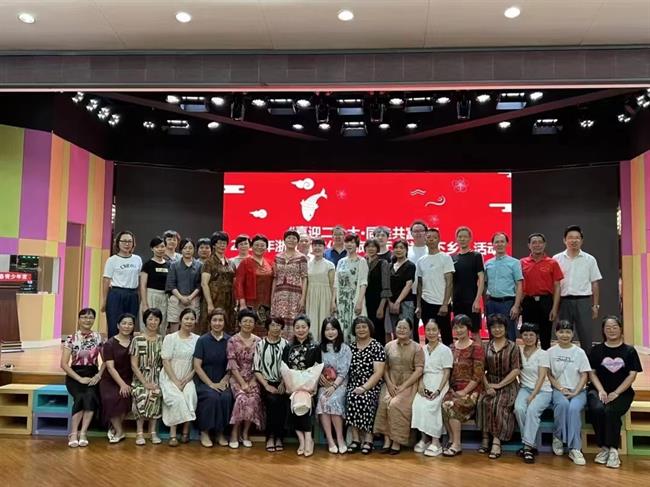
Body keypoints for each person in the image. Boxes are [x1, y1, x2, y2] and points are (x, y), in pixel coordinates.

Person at [588, 316, 643, 468]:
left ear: (620, 329)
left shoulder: (629, 351)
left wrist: (616, 393)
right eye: (608, 328)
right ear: (603, 331)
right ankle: (604, 448)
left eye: (614, 327)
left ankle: (613, 450)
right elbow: (592, 373)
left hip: (622, 392)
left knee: (611, 411)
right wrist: (601, 390)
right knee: (597, 409)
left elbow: (632, 375)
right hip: (598, 390)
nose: (611, 330)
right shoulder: (596, 350)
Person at [374, 318, 424, 454]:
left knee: (396, 405)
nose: (401, 330)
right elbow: (384, 367)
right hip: (391, 381)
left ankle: (396, 441)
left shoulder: (417, 348)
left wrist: (403, 386)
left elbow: (419, 370)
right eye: (399, 327)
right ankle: (387, 440)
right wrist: (389, 384)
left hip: (409, 383)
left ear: (411, 330)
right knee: (384, 403)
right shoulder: (388, 346)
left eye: (405, 328)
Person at [476, 314, 521, 459]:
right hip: (489, 382)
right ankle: (485, 438)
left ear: (505, 328)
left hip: (508, 384)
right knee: (482, 401)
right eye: (494, 327)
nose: (497, 330)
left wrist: (500, 385)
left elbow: (516, 370)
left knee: (498, 404)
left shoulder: (513, 346)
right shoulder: (486, 346)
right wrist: (487, 386)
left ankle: (496, 440)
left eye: (500, 326)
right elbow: (480, 369)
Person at [553, 225, 603, 354]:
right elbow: (554, 284)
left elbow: (595, 283)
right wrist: (554, 306)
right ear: (564, 240)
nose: (573, 240)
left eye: (577, 238)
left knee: (586, 335)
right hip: (563, 302)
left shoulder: (590, 259)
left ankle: (588, 364)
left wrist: (595, 305)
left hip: (583, 302)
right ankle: (564, 361)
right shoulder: (556, 259)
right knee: (563, 335)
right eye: (570, 237)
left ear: (581, 240)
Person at [548, 320, 591, 465]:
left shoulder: (579, 352)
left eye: (568, 332)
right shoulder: (551, 352)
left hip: (578, 391)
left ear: (573, 334)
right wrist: (560, 388)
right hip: (559, 389)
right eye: (561, 332)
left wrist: (575, 392)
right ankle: (558, 437)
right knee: (562, 405)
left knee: (573, 409)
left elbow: (584, 375)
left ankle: (575, 448)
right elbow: (549, 374)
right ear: (556, 333)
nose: (564, 335)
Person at [441, 314, 485, 457]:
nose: (458, 330)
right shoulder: (451, 348)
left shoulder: (476, 348)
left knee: (453, 405)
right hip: (453, 388)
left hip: (471, 389)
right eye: (456, 327)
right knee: (443, 403)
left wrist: (464, 391)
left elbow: (478, 375)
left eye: (462, 327)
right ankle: (451, 439)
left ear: (468, 328)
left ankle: (457, 444)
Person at [61, 308, 104, 448]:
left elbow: (106, 361)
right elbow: (63, 364)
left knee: (90, 396)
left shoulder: (98, 337)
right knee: (80, 396)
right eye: (84, 317)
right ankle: (74, 433)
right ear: (79, 319)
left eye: (91, 317)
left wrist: (98, 375)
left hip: (92, 373)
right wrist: (79, 379)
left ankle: (83, 432)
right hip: (75, 374)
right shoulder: (71, 338)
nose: (87, 320)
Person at [282, 314, 322, 457]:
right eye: (297, 327)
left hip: (309, 386)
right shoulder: (288, 347)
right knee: (292, 409)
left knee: (304, 406)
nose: (300, 330)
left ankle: (308, 439)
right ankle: (302, 441)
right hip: (292, 385)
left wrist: (314, 386)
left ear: (308, 328)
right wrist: (288, 385)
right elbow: (284, 367)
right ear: (293, 329)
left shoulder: (315, 346)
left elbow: (318, 367)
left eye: (303, 327)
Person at [411, 319, 453, 457]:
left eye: (434, 330)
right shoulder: (421, 349)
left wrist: (439, 391)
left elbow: (447, 373)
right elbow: (419, 370)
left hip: (440, 382)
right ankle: (424, 439)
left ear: (439, 331)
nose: (431, 333)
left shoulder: (445, 350)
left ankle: (436, 442)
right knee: (418, 404)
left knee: (433, 405)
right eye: (428, 330)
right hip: (425, 382)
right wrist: (420, 384)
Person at [345, 316, 386, 455]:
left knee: (366, 398)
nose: (361, 329)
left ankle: (369, 439)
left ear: (370, 329)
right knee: (351, 396)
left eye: (364, 327)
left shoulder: (376, 346)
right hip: (353, 383)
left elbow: (378, 372)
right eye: (358, 327)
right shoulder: (350, 347)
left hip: (372, 384)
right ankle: (356, 439)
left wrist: (364, 387)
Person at [159, 308, 199, 446]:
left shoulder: (197, 339)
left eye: (192, 319)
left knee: (190, 395)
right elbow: (165, 361)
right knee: (177, 398)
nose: (189, 321)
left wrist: (187, 379)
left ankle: (185, 432)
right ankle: (173, 434)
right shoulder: (170, 338)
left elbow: (197, 364)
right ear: (180, 320)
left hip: (188, 376)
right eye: (186, 318)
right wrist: (175, 381)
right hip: (170, 376)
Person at [514, 322, 553, 463]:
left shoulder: (543, 354)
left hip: (542, 390)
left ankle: (527, 447)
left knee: (531, 410)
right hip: (525, 388)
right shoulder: (518, 351)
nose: (528, 337)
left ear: (537, 337)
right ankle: (531, 444)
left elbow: (542, 377)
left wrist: (533, 395)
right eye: (525, 334)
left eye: (532, 335)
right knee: (519, 409)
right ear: (521, 336)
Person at [194, 308, 233, 448]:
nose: (217, 323)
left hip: (223, 380)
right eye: (214, 320)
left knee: (226, 397)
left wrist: (225, 379)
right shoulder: (202, 340)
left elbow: (233, 364)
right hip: (205, 381)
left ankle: (220, 433)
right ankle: (204, 432)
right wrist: (211, 384)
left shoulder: (230, 340)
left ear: (224, 322)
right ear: (210, 322)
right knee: (212, 397)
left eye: (220, 320)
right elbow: (197, 366)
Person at [227, 307, 264, 448]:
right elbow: (232, 364)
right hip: (237, 378)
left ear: (254, 324)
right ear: (240, 323)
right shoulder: (232, 340)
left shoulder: (259, 341)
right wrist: (242, 383)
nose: (248, 324)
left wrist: (253, 381)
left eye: (251, 321)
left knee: (253, 399)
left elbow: (259, 364)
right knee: (242, 399)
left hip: (254, 378)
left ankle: (245, 433)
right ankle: (234, 432)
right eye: (245, 321)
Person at [521, 233, 564, 350]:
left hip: (546, 302)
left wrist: (554, 308)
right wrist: (518, 304)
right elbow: (519, 286)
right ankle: (530, 359)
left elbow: (557, 286)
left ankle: (545, 360)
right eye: (534, 242)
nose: (537, 245)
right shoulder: (522, 262)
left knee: (546, 335)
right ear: (529, 245)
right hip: (528, 302)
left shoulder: (552, 263)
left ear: (544, 244)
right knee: (529, 334)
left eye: (540, 242)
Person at [316, 317, 352, 454]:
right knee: (323, 399)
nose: (330, 332)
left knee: (334, 399)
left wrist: (334, 386)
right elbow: (315, 366)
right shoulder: (319, 348)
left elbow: (343, 372)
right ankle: (330, 440)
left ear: (338, 330)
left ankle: (340, 438)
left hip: (340, 384)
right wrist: (319, 376)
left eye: (333, 329)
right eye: (327, 329)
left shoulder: (345, 348)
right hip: (325, 384)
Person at [253, 316, 289, 452]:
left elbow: (289, 367)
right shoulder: (260, 345)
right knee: (273, 401)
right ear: (267, 327)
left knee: (282, 402)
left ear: (282, 327)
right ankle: (271, 437)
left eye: (278, 325)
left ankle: (279, 437)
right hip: (266, 383)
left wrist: (283, 382)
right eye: (272, 325)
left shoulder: (286, 344)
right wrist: (267, 385)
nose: (275, 328)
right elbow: (256, 369)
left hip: (283, 382)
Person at [130, 308, 164, 446]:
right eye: (150, 319)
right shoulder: (137, 339)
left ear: (160, 322)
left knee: (156, 392)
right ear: (145, 321)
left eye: (156, 319)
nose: (153, 322)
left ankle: (153, 431)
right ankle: (139, 432)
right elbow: (134, 365)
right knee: (142, 393)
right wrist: (144, 382)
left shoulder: (162, 340)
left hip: (157, 376)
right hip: (140, 377)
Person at [415, 228, 455, 345]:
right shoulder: (421, 261)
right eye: (429, 237)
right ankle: (429, 356)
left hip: (442, 303)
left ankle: (449, 356)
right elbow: (419, 284)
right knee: (429, 334)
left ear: (439, 239)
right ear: (425, 240)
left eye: (434, 237)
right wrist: (418, 305)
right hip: (426, 302)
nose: (431, 240)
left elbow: (449, 282)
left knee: (446, 334)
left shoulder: (445, 258)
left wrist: (445, 304)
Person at [100, 313, 135, 444]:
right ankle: (120, 431)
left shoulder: (135, 342)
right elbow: (110, 367)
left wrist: (126, 384)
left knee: (126, 397)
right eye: (124, 323)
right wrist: (122, 384)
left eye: (130, 324)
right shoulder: (109, 344)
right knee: (111, 398)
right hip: (110, 379)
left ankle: (114, 426)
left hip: (128, 378)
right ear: (118, 325)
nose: (127, 326)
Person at [484, 232, 523, 341]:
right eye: (497, 242)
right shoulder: (487, 263)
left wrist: (516, 306)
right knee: (493, 333)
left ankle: (511, 352)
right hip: (491, 303)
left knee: (509, 333)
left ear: (507, 244)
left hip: (507, 303)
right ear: (493, 245)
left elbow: (519, 284)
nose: (499, 244)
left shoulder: (514, 263)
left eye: (502, 241)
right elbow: (484, 284)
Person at [102, 231, 141, 337]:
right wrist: (104, 300)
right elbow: (106, 280)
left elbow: (139, 279)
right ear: (118, 243)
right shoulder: (112, 260)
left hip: (132, 294)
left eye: (129, 241)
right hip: (116, 294)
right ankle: (113, 346)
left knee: (130, 324)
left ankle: (128, 347)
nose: (127, 244)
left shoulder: (137, 259)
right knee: (114, 324)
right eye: (124, 241)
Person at [271, 230, 308, 340]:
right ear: (284, 240)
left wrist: (303, 299)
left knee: (294, 321)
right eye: (289, 238)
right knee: (279, 321)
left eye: (294, 238)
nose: (291, 240)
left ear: (297, 241)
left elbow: (304, 278)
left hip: (295, 295)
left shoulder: (301, 257)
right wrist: (272, 297)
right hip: (279, 295)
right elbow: (275, 278)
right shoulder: (277, 257)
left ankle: (292, 345)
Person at [235, 234, 274, 336]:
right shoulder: (245, 262)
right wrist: (242, 303)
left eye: (262, 245)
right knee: (250, 327)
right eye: (256, 245)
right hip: (250, 302)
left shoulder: (270, 263)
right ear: (252, 246)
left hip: (266, 302)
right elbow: (239, 283)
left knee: (265, 328)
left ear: (266, 248)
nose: (259, 247)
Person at [451, 226, 485, 342]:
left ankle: (479, 354)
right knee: (459, 331)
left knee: (475, 332)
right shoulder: (452, 257)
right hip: (457, 300)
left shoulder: (476, 256)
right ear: (456, 239)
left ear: (470, 238)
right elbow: (450, 281)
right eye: (460, 237)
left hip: (472, 300)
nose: (462, 239)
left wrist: (477, 300)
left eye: (465, 237)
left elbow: (481, 278)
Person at [334, 233, 369, 343]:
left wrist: (359, 302)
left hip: (354, 299)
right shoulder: (341, 262)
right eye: (347, 242)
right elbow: (336, 283)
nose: (349, 245)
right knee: (341, 328)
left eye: (352, 242)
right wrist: (333, 301)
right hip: (341, 300)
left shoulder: (361, 261)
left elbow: (363, 283)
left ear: (357, 245)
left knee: (355, 327)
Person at [200, 231, 236, 335]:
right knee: (211, 324)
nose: (222, 245)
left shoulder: (231, 263)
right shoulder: (209, 262)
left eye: (224, 243)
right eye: (219, 243)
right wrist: (210, 303)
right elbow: (204, 284)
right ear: (214, 245)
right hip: (214, 298)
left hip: (228, 300)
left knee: (227, 325)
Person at [166, 238, 202, 333]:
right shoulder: (174, 265)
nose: (188, 250)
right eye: (185, 248)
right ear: (181, 250)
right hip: (177, 299)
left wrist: (190, 297)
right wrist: (181, 298)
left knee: (192, 328)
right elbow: (171, 284)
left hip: (193, 299)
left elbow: (199, 285)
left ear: (194, 249)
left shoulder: (199, 265)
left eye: (190, 248)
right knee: (174, 329)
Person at [305, 238, 336, 338]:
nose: (317, 248)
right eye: (315, 245)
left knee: (324, 320)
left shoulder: (329, 265)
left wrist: (333, 301)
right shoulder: (307, 264)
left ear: (324, 248)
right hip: (311, 296)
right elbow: (306, 283)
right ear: (312, 247)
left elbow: (333, 285)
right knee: (312, 320)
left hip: (325, 296)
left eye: (320, 246)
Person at [139, 237, 170, 334]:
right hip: (150, 295)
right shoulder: (148, 264)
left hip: (164, 297)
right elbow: (143, 285)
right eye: (157, 247)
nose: (160, 249)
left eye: (162, 246)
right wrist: (145, 304)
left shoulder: (169, 265)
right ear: (152, 249)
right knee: (148, 322)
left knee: (162, 324)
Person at [388, 239, 416, 344]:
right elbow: (386, 286)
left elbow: (408, 285)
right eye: (396, 248)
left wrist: (398, 302)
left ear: (406, 250)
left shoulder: (410, 265)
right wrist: (390, 302)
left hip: (406, 303)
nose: (398, 250)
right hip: (391, 304)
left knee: (406, 331)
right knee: (395, 332)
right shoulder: (390, 265)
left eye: (401, 248)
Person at [364, 238, 391, 345]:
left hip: (378, 301)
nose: (371, 249)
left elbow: (386, 287)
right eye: (368, 246)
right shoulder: (362, 262)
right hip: (364, 301)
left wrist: (381, 306)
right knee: (365, 328)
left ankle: (379, 352)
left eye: (373, 247)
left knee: (378, 329)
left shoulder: (383, 263)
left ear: (377, 249)